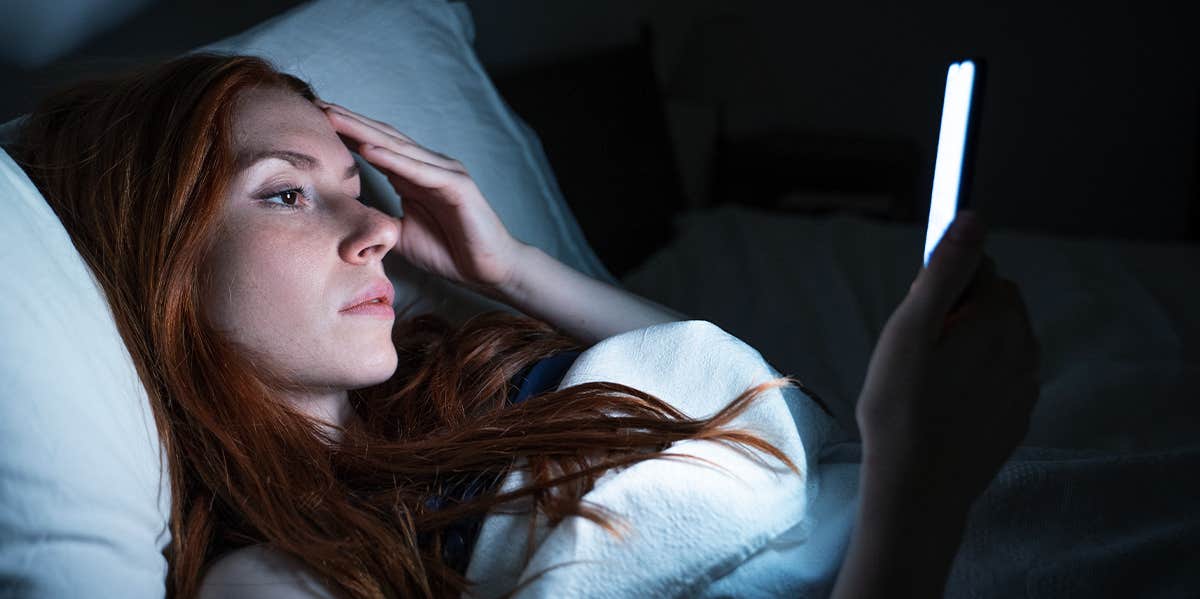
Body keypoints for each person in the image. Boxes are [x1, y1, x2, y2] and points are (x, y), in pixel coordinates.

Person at [9, 52, 1039, 599]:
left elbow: (767, 415)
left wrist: (513, 268)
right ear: (162, 268)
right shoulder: (277, 577)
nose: (375, 223)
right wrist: (920, 485)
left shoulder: (461, 390)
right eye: (284, 195)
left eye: (354, 182)